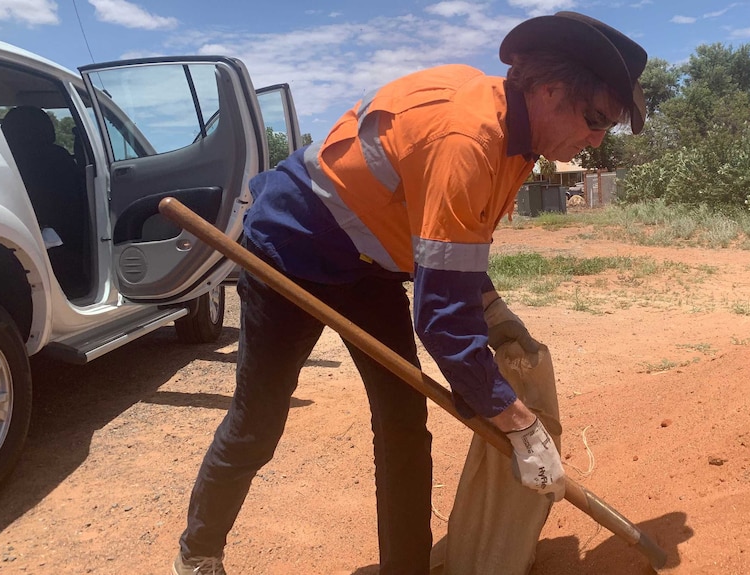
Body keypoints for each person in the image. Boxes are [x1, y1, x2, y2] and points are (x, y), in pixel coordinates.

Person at [173, 11, 647, 575]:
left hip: (371, 265)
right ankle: (198, 554)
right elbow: (443, 321)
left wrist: (493, 312)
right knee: (259, 422)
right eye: (595, 119)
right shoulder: (470, 138)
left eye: (606, 128)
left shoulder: (520, 142)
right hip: (292, 248)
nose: (596, 140)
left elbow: (455, 245)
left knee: (402, 424)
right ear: (549, 91)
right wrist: (519, 423)